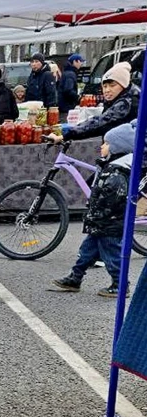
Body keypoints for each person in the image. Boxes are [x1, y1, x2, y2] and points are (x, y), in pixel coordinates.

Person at [51, 121, 136, 297]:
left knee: (112, 255)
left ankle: (120, 284)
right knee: (86, 252)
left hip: (108, 224)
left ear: (117, 148)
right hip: (100, 223)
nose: (102, 146)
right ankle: (75, 277)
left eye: (106, 143)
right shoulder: (109, 167)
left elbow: (112, 201)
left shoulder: (117, 173)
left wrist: (97, 214)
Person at [48, 62, 139, 144]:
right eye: (105, 86)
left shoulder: (127, 102)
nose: (107, 90)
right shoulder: (118, 99)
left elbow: (99, 122)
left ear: (124, 85)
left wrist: (65, 135)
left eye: (112, 85)